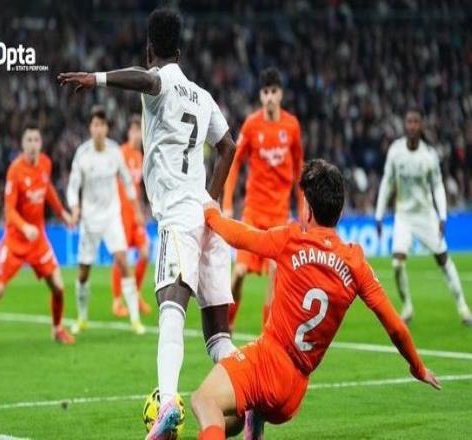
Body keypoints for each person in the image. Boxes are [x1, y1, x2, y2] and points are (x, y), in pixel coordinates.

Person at [58, 8, 237, 439]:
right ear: (180, 49)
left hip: (178, 215)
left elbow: (146, 80)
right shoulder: (202, 95)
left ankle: (168, 403)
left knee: (171, 306)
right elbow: (228, 146)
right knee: (218, 336)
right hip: (208, 216)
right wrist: (212, 198)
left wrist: (96, 78)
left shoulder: (163, 81)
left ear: (150, 48)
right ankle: (250, 401)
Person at [191, 159, 441, 440]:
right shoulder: (355, 263)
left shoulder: (291, 239)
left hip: (269, 362)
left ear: (307, 209)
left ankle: (250, 412)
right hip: (294, 392)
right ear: (340, 211)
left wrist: (211, 214)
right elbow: (395, 327)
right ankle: (254, 418)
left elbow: (242, 237)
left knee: (204, 401)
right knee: (231, 418)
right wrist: (417, 367)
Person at [0, 123, 75, 349]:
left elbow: (48, 190)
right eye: (28, 140)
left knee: (58, 286)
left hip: (38, 241)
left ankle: (57, 329)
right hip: (15, 241)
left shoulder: (45, 163)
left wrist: (63, 214)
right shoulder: (15, 170)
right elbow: (9, 210)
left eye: (36, 140)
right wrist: (25, 227)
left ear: (41, 142)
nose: (32, 145)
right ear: (22, 143)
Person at [222, 67, 304, 330]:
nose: (269, 97)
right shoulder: (251, 125)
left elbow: (299, 171)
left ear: (281, 94)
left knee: (275, 273)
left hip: (279, 216)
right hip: (253, 214)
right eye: (265, 92)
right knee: (239, 273)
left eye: (273, 91)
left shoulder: (292, 126)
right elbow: (234, 162)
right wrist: (227, 203)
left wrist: (303, 211)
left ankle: (267, 336)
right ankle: (226, 324)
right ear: (260, 96)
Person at [375, 107, 472, 325]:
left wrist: (442, 216)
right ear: (405, 124)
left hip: (426, 216)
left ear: (421, 125)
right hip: (403, 216)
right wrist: (379, 215)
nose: (411, 126)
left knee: (443, 260)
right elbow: (387, 182)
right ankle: (407, 306)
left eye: (415, 122)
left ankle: (463, 307)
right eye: (409, 121)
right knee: (397, 264)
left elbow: (437, 186)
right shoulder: (395, 151)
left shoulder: (429, 156)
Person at [67, 105, 145, 335]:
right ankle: (82, 317)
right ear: (90, 128)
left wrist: (137, 209)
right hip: (90, 220)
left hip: (112, 216)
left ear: (107, 128)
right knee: (84, 271)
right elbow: (73, 186)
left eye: (102, 125)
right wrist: (74, 208)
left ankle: (135, 319)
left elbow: (128, 182)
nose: (99, 129)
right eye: (95, 125)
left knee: (123, 261)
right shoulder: (82, 154)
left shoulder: (114, 152)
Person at [110, 115, 152, 318]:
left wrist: (140, 210)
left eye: (140, 130)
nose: (137, 134)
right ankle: (117, 301)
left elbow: (137, 188)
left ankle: (135, 294)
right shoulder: (120, 153)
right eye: (134, 130)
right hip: (121, 213)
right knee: (122, 257)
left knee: (145, 252)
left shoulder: (140, 156)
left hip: (134, 213)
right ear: (129, 132)